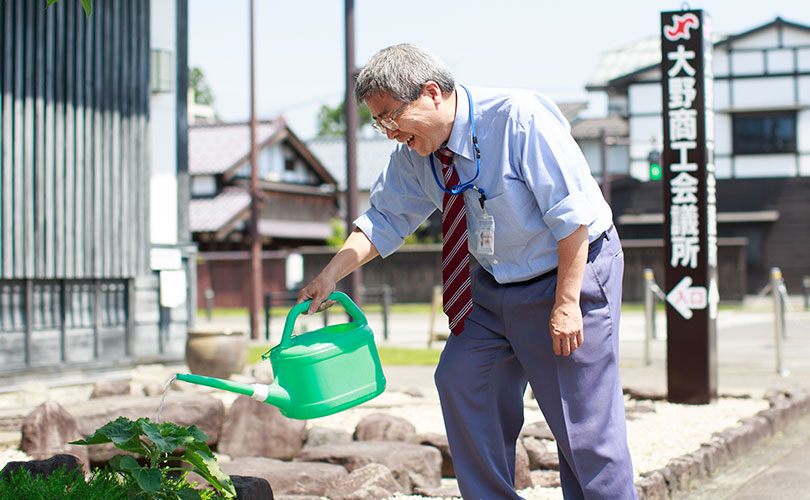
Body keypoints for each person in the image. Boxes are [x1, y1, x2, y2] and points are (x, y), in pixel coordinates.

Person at [297, 43, 638, 500]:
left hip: (566, 272)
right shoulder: (414, 155)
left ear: (431, 93)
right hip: (492, 285)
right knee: (462, 379)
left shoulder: (518, 117)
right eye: (377, 122)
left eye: (389, 116)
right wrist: (330, 274)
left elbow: (574, 214)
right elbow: (383, 220)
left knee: (581, 422)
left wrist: (567, 303)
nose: (387, 131)